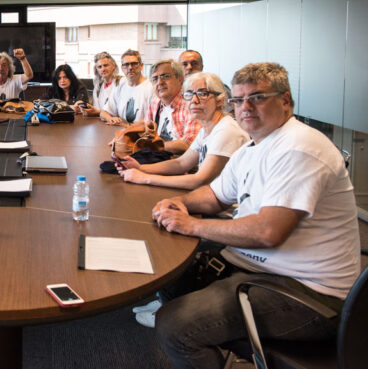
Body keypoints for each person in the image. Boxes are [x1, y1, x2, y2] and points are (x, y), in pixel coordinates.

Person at [151, 63, 360, 369]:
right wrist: (178, 203)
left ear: (285, 101)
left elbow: (267, 232)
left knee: (175, 326)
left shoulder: (299, 148)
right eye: (238, 100)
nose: (245, 107)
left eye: (258, 97)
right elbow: (215, 196)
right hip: (258, 268)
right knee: (169, 269)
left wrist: (192, 224)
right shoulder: (253, 147)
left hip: (308, 293)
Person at [117, 72, 249, 189]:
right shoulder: (207, 128)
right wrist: (140, 168)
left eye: (203, 94)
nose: (194, 100)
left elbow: (199, 180)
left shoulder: (226, 130)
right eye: (189, 94)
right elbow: (181, 163)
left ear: (220, 100)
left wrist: (144, 178)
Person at [142, 58, 202, 155]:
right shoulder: (155, 103)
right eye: (155, 79)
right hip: (158, 157)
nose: (159, 82)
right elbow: (146, 128)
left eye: (165, 76)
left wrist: (153, 147)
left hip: (181, 163)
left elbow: (189, 144)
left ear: (179, 79)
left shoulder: (191, 103)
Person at [102, 49, 153, 125]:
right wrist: (111, 119)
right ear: (122, 68)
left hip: (140, 135)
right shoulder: (121, 84)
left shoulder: (150, 88)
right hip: (120, 133)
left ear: (141, 66)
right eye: (126, 64)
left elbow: (151, 123)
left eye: (134, 64)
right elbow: (103, 113)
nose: (130, 67)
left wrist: (125, 125)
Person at [81, 51, 121, 118]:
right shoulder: (97, 88)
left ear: (113, 66)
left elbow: (120, 112)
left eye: (106, 65)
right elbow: (96, 110)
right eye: (99, 67)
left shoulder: (120, 83)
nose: (103, 69)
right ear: (97, 70)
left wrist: (98, 112)